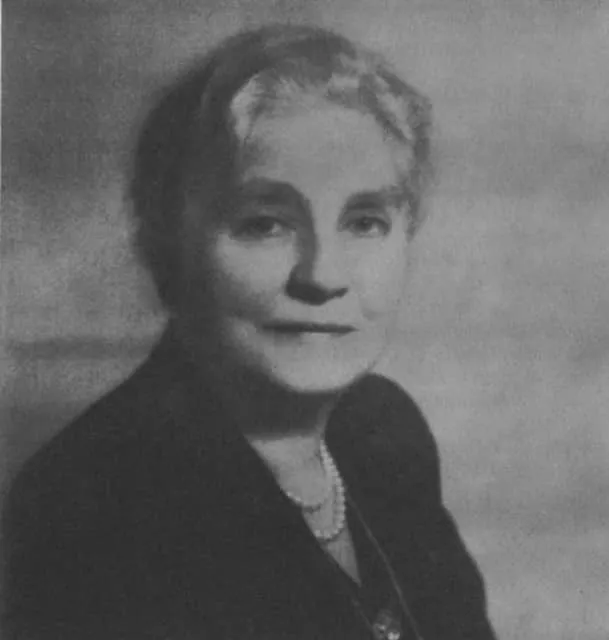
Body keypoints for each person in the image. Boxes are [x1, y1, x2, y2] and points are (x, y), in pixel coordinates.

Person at [2, 24, 497, 640]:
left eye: (365, 222)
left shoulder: (381, 429)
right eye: (266, 223)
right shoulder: (89, 503)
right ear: (169, 246)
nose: (323, 275)